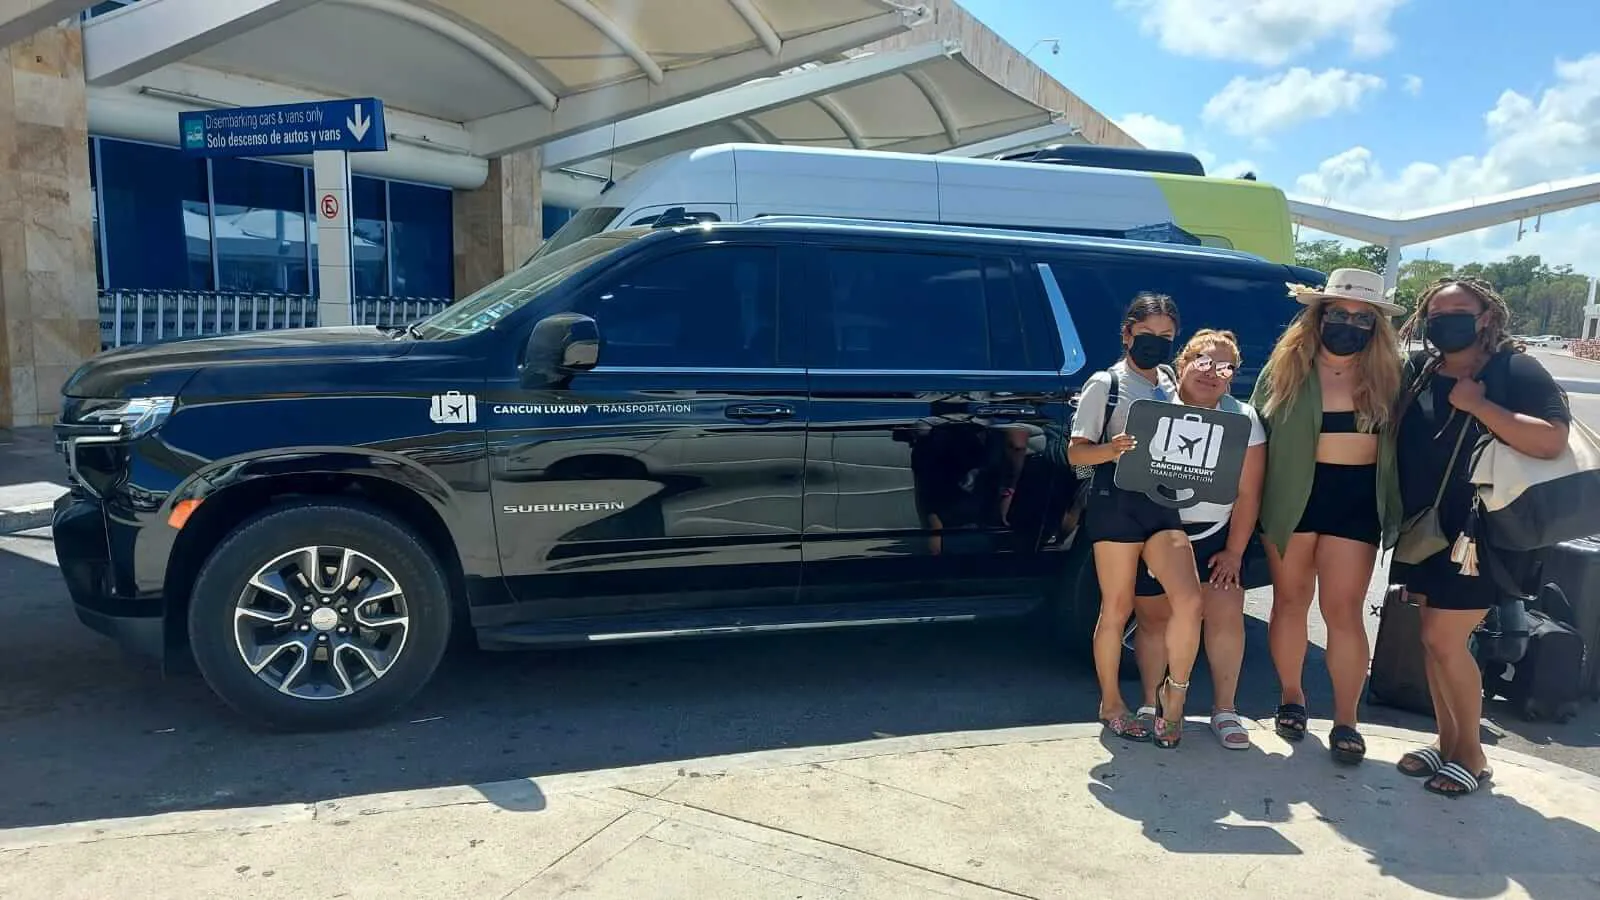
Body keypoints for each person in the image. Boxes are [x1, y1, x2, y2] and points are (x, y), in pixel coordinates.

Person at [1391, 277, 1570, 797]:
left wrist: (1480, 407)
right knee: (1432, 638)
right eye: (1435, 312)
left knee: (1445, 639)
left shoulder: (1513, 368)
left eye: (1459, 312)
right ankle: (1446, 743)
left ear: (1486, 317)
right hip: (1427, 529)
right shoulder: (1426, 369)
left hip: (1483, 533)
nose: (1444, 321)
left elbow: (1552, 439)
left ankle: (1472, 754)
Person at [1251, 268, 1404, 764]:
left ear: (1376, 325)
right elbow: (1251, 437)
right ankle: (1291, 698)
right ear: (1318, 316)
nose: (1350, 324)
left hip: (1355, 499)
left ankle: (1346, 720)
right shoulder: (1285, 370)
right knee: (1290, 602)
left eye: (1363, 318)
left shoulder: (1389, 375)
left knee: (1343, 611)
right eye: (1339, 314)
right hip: (1292, 496)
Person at [1068, 293, 1204, 748]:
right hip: (1116, 500)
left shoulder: (1168, 381)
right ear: (1127, 333)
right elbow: (1076, 452)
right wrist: (1114, 448)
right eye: (1147, 334)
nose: (1157, 344)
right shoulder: (1105, 384)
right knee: (1117, 606)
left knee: (1188, 599)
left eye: (1167, 336)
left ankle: (1175, 696)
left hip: (1162, 503)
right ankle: (1111, 703)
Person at [1130, 330, 1267, 750]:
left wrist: (1234, 552)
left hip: (1216, 536)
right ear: (1186, 361)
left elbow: (1249, 493)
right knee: (1154, 621)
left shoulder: (1244, 418)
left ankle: (1224, 709)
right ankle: (1152, 704)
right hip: (1157, 531)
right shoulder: (1154, 407)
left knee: (1225, 617)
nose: (1212, 373)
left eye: (1224, 367)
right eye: (1204, 362)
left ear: (1233, 376)